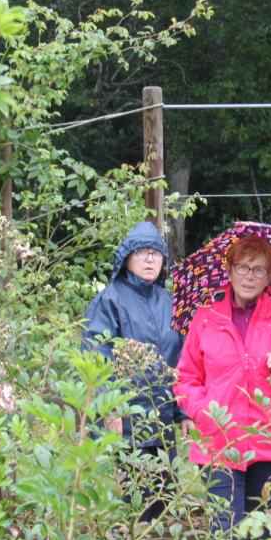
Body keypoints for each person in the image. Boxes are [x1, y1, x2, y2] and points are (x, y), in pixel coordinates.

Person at [175, 234, 271, 535]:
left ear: (270, 276)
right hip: (219, 441)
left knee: (263, 538)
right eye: (242, 267)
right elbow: (186, 378)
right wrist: (205, 411)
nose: (249, 276)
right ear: (228, 270)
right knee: (223, 533)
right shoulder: (206, 319)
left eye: (259, 270)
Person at [81, 220, 183, 522]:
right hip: (123, 418)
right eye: (141, 252)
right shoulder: (110, 299)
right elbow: (96, 356)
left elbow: (180, 360)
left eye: (155, 253)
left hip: (160, 416)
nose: (149, 259)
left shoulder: (170, 302)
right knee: (129, 498)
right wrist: (109, 408)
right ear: (127, 257)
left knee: (163, 493)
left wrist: (182, 411)